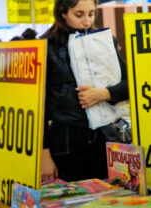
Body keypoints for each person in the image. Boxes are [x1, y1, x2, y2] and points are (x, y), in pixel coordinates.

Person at [41, 0, 128, 182]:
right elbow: (36, 106)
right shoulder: (46, 47)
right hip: (65, 141)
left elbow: (131, 83)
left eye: (91, 13)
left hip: (105, 137)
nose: (87, 21)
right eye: (79, 15)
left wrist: (105, 93)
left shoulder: (105, 41)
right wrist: (43, 153)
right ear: (63, 12)